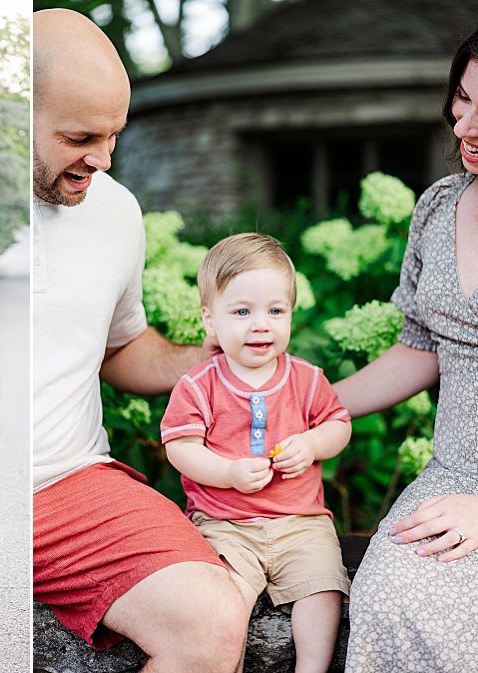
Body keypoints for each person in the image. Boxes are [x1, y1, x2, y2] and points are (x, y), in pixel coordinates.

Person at [32, 9, 249, 671]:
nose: (100, 159)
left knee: (214, 621)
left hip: (63, 485)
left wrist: (207, 358)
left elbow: (118, 348)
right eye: (80, 136)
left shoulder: (116, 210)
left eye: (113, 136)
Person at [334, 25, 478, 673]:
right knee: (388, 598)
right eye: (462, 99)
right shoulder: (438, 206)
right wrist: (310, 405)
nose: (466, 127)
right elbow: (420, 348)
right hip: (450, 476)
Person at [161, 234, 352, 673]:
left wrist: (311, 444)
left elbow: (338, 424)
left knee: (322, 588)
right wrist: (227, 471)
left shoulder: (306, 378)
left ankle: (311, 668)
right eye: (242, 312)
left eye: (275, 311)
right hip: (225, 524)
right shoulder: (199, 385)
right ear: (210, 321)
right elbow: (180, 446)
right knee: (220, 600)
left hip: (300, 522)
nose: (260, 324)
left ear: (290, 314)